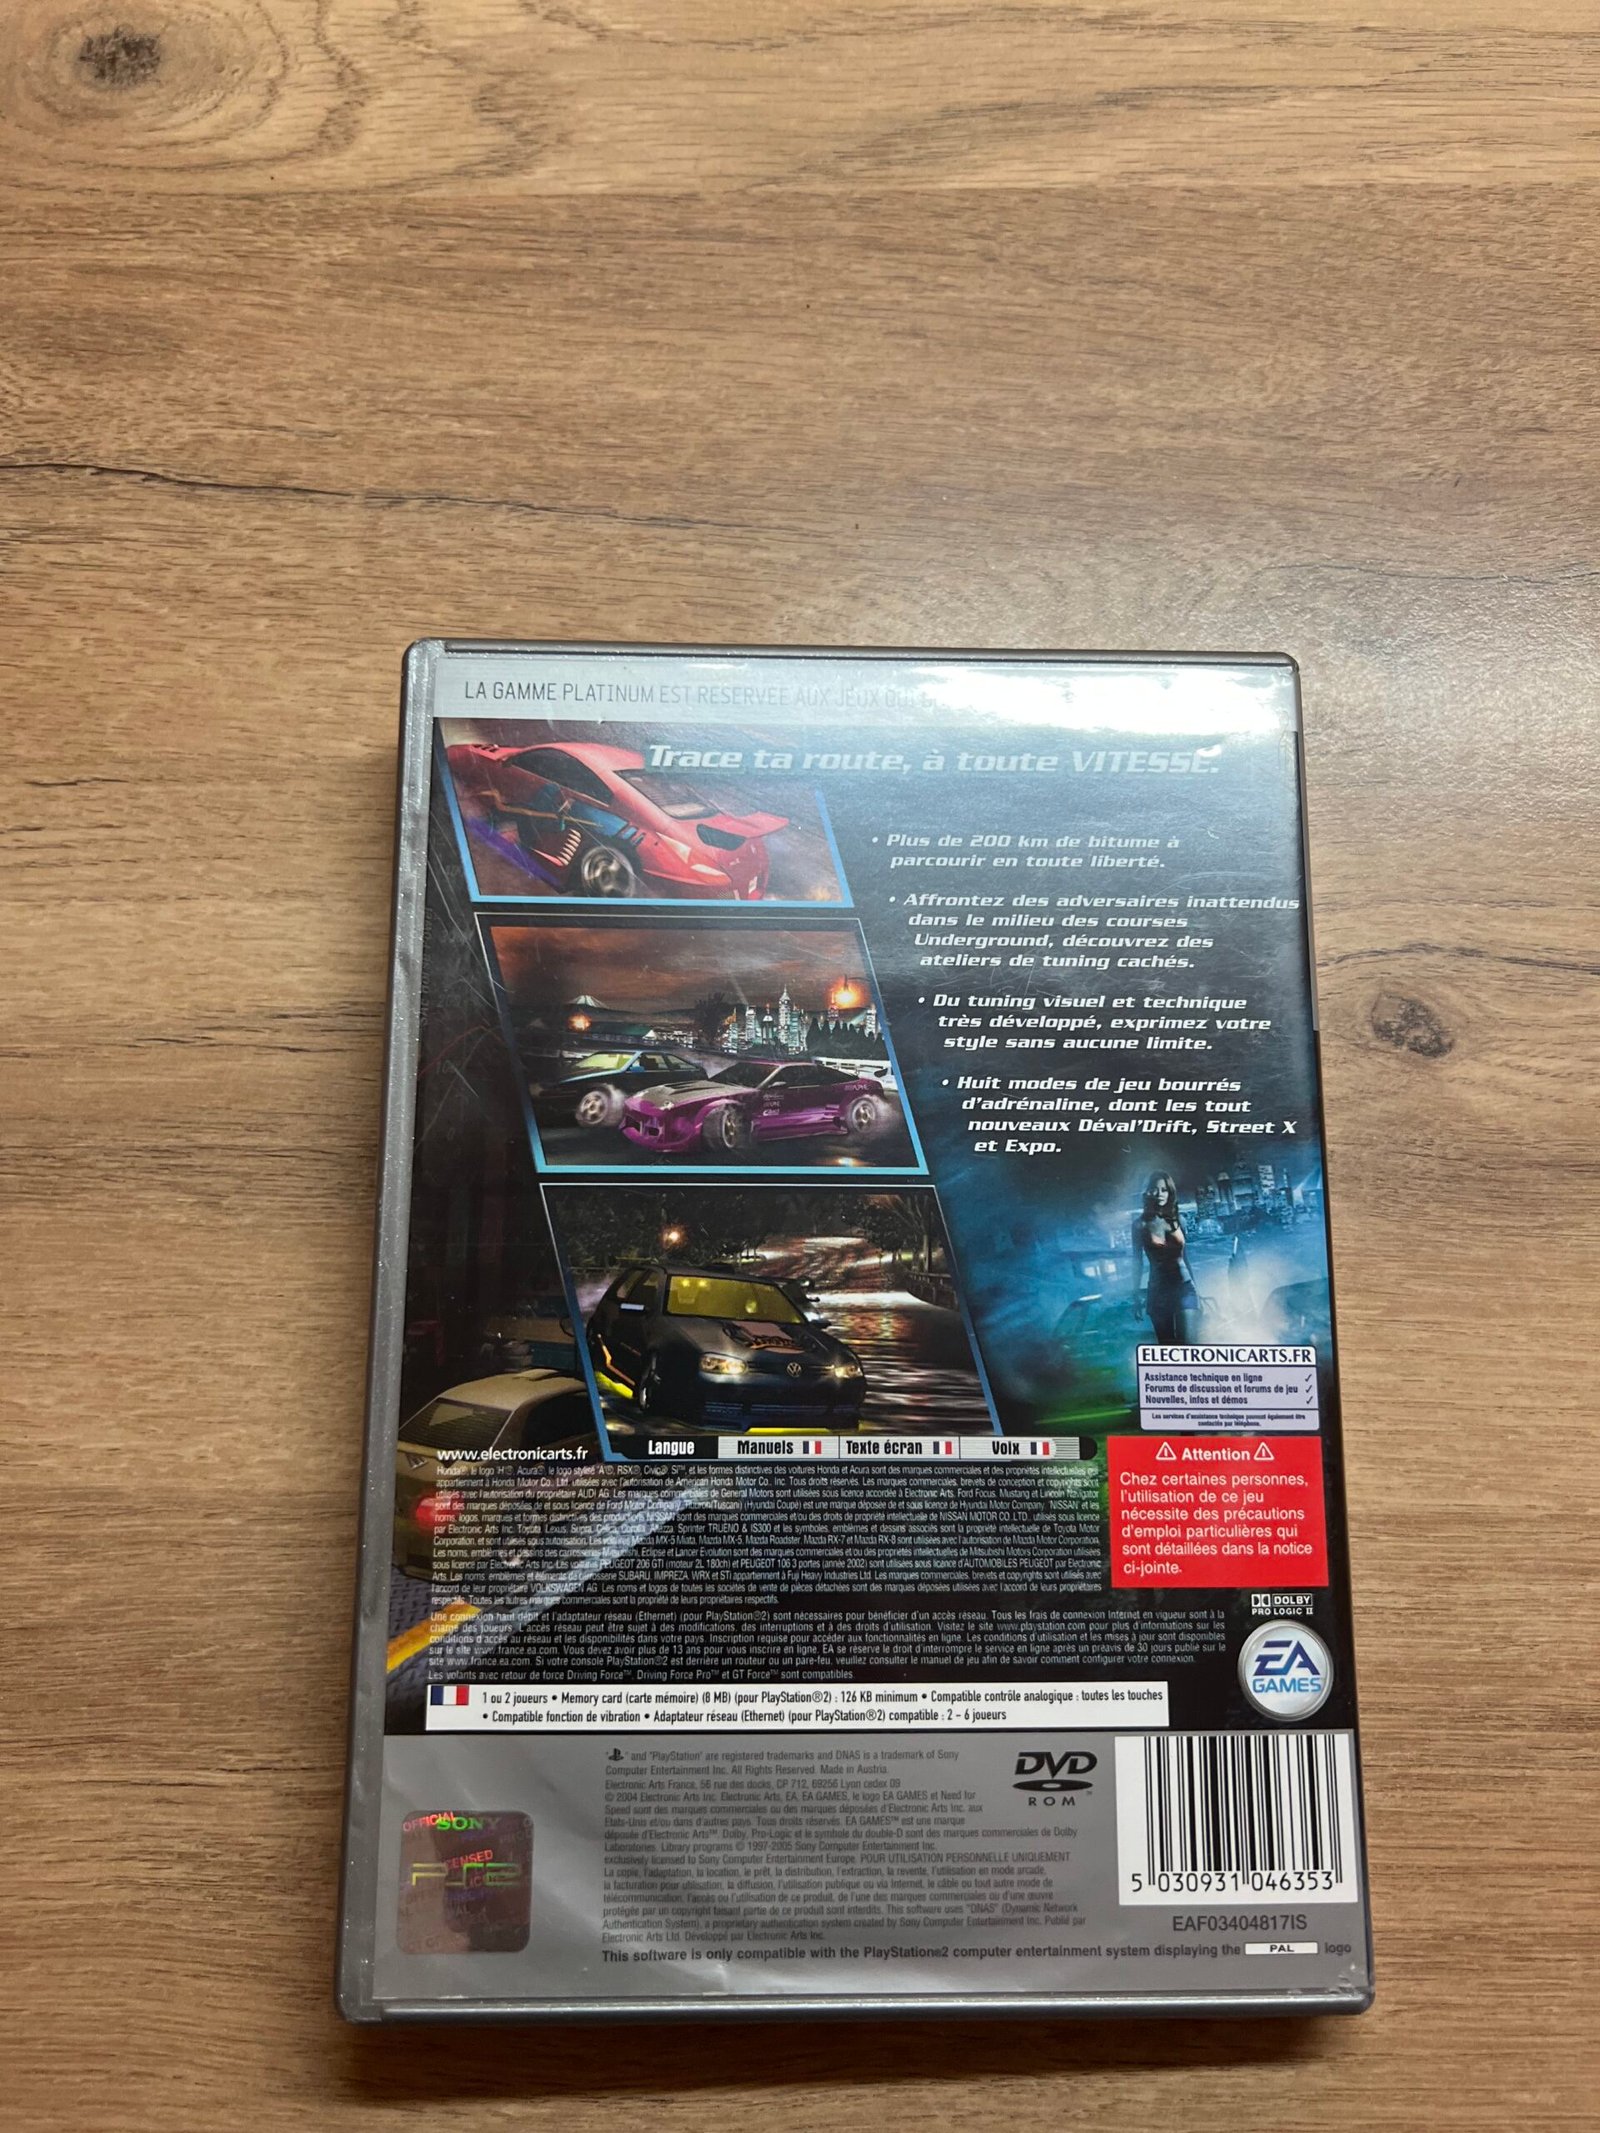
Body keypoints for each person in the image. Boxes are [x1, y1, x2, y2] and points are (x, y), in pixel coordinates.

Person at [1132, 1172, 1193, 1343]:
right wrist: (1135, 1296)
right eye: (1155, 1189)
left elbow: (1185, 1257)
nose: (1160, 1194)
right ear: (1148, 1192)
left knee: (1187, 1348)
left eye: (1164, 1190)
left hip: (1185, 1288)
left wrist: (1196, 1289)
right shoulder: (1139, 1225)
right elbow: (1137, 1262)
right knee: (1167, 1347)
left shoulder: (1179, 1220)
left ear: (1170, 1192)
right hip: (1159, 1291)